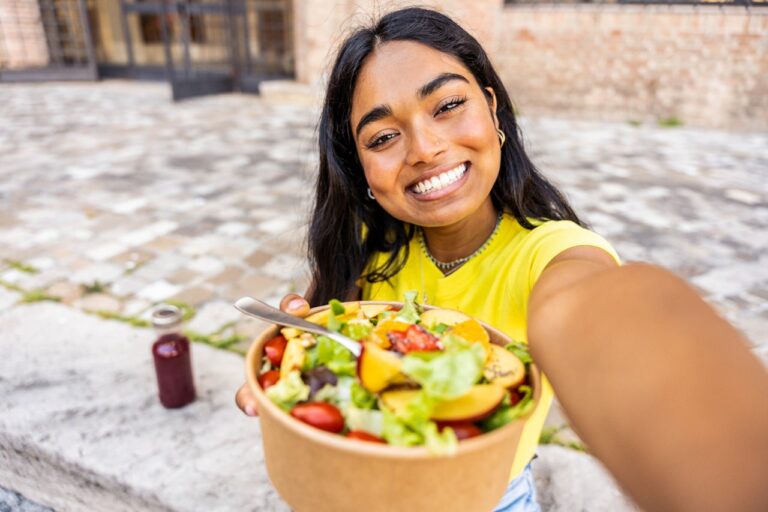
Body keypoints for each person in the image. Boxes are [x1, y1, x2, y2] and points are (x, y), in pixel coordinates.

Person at [236, 7, 768, 511]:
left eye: (446, 105)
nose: (424, 148)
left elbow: (597, 313)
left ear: (492, 109)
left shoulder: (552, 256)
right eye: (383, 136)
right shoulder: (365, 244)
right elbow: (310, 330)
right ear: (361, 170)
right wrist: (292, 374)